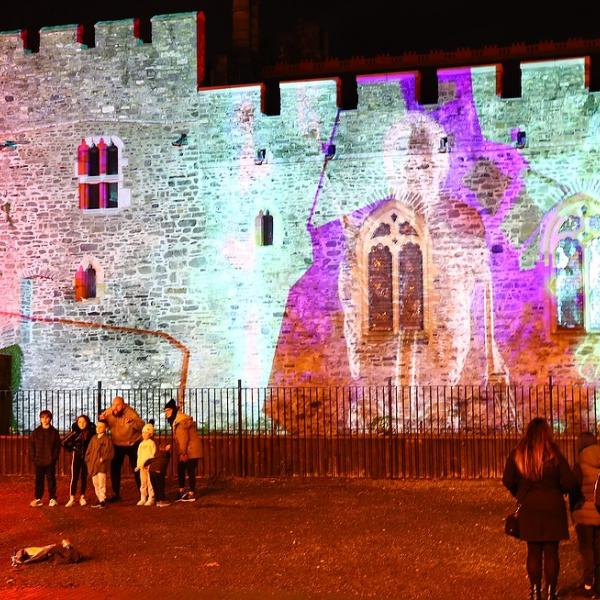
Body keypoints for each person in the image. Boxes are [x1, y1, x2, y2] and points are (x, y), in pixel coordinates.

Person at [503, 417, 576, 600]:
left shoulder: (518, 454)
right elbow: (568, 481)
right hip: (552, 507)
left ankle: (535, 592)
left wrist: (519, 492)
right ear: (546, 433)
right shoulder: (554, 454)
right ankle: (551, 592)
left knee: (533, 551)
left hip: (530, 507)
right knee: (552, 552)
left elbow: (507, 479)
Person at [99, 395, 144, 502]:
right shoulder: (110, 412)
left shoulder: (131, 412)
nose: (115, 407)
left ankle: (142, 493)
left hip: (132, 443)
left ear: (123, 405)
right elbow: (102, 423)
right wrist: (102, 419)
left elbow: (141, 425)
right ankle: (116, 493)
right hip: (117, 444)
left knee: (137, 468)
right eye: (113, 405)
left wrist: (133, 422)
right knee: (114, 468)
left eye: (118, 405)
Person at [572, 431, 600, 598]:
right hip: (599, 511)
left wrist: (574, 510)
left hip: (583, 513)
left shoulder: (579, 465)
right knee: (598, 549)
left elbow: (573, 489)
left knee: (587, 550)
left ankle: (588, 584)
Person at [164, 399, 202, 502]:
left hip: (190, 450)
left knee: (188, 470)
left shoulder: (180, 422)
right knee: (183, 469)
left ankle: (190, 493)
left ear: (173, 410)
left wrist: (183, 453)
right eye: (165, 411)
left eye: (168, 411)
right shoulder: (179, 420)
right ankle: (184, 491)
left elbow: (183, 438)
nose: (166, 413)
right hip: (191, 449)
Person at [62, 415, 96, 507]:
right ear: (77, 423)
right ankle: (72, 498)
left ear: (87, 423)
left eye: (84, 422)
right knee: (75, 477)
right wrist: (73, 448)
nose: (82, 424)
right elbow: (64, 442)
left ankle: (82, 497)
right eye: (80, 422)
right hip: (76, 457)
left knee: (84, 477)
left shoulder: (91, 433)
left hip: (87, 458)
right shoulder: (75, 432)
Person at [29, 409, 61, 507]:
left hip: (50, 461)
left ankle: (52, 498)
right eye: (42, 417)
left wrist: (53, 458)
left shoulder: (54, 432)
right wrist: (34, 458)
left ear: (50, 419)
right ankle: (38, 498)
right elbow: (31, 446)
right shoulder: (36, 432)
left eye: (47, 417)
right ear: (40, 418)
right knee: (39, 480)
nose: (44, 419)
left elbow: (57, 447)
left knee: (51, 479)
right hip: (39, 461)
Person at [85, 421, 114, 509]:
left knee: (101, 483)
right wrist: (88, 460)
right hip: (93, 464)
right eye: (97, 427)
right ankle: (100, 499)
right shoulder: (94, 438)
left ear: (105, 428)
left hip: (101, 465)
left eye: (101, 427)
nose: (98, 428)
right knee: (95, 483)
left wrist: (103, 459)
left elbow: (110, 452)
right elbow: (89, 451)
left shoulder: (106, 439)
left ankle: (103, 500)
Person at [135, 423, 157, 506]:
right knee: (143, 483)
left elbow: (153, 454)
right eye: (143, 432)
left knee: (150, 482)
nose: (143, 434)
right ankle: (143, 497)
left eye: (146, 433)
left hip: (149, 466)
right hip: (142, 467)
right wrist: (138, 465)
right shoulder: (141, 444)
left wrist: (148, 463)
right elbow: (139, 455)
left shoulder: (151, 443)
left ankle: (151, 498)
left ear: (150, 434)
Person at [147, 443, 172, 507]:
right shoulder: (165, 454)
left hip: (151, 471)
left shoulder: (156, 454)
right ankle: (162, 501)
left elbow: (149, 460)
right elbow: (167, 454)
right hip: (159, 471)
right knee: (160, 486)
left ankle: (157, 501)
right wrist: (167, 449)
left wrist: (144, 465)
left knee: (155, 486)